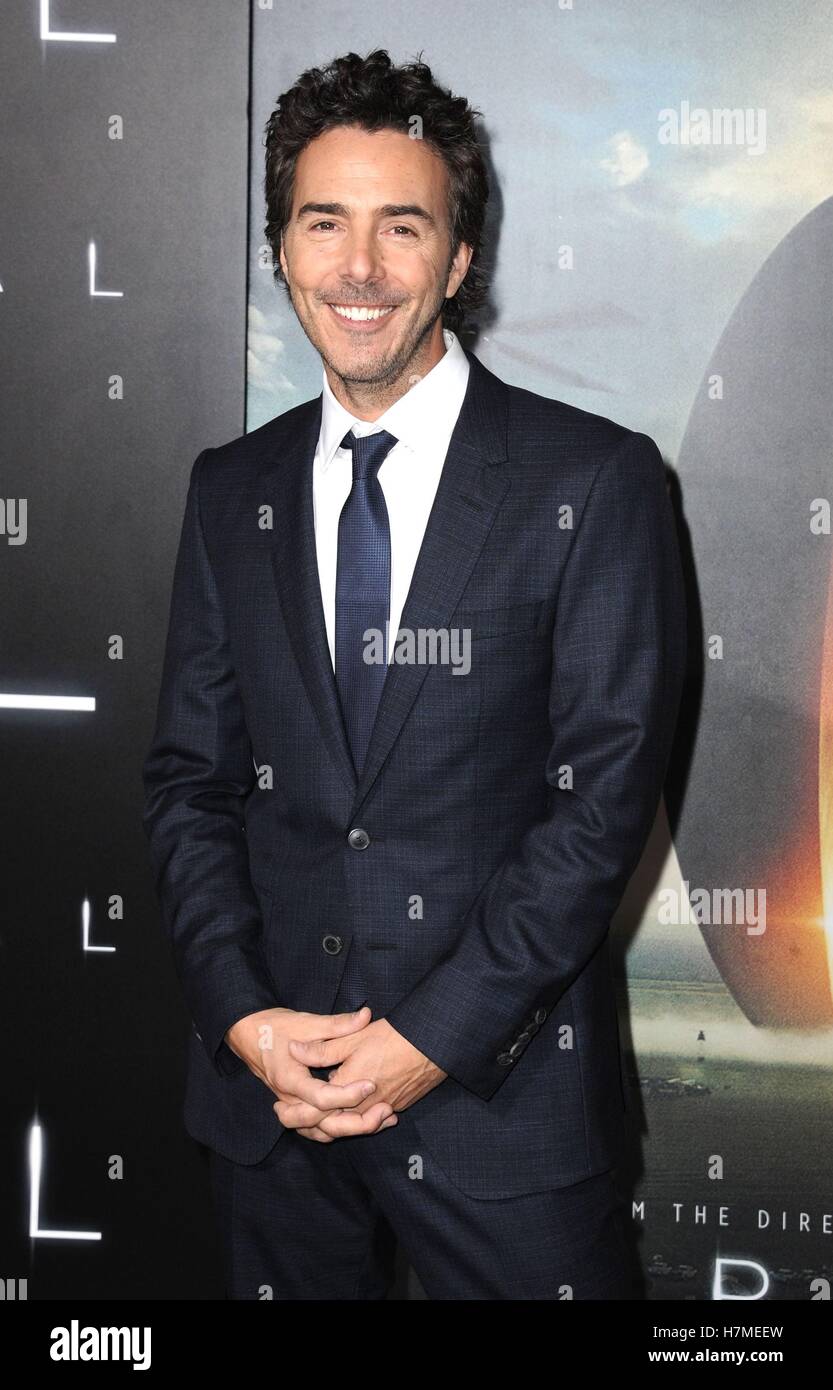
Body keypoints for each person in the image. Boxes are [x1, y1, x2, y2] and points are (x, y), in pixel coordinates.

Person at [142, 48, 687, 1300]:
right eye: (322, 222)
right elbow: (191, 782)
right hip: (271, 1112)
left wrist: (425, 1043)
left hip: (505, 1113)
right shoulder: (233, 490)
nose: (360, 267)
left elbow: (599, 804)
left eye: (403, 226)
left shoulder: (590, 481)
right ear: (281, 249)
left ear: (457, 261)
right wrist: (243, 1018)